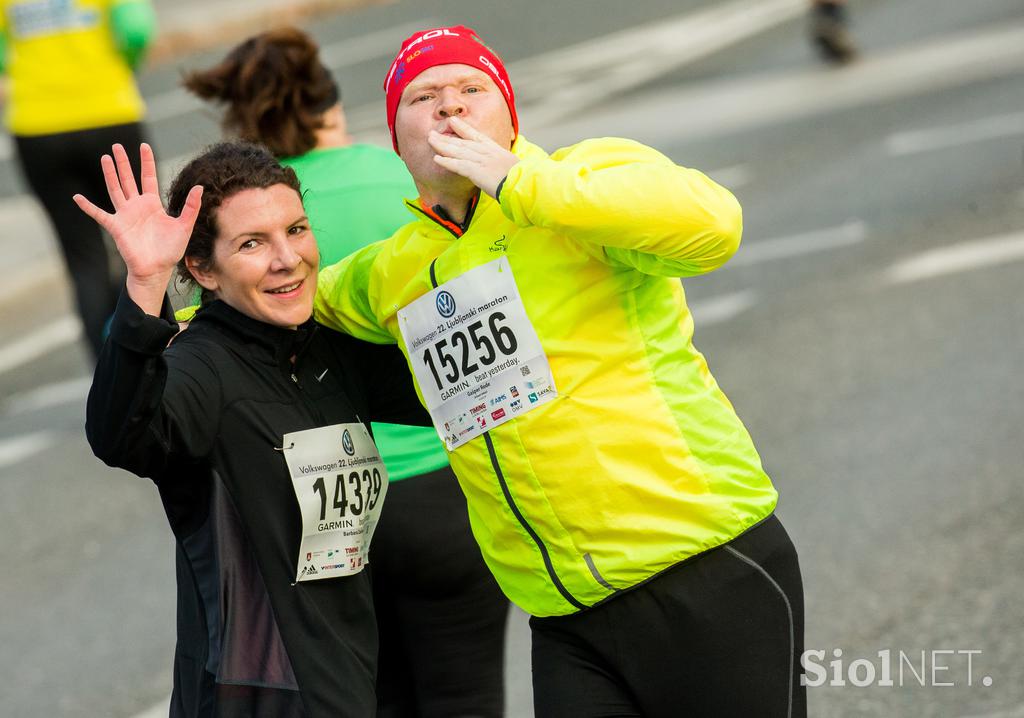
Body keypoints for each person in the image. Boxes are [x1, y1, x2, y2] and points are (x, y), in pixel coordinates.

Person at [314, 25, 806, 717]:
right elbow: (286, 304)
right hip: (565, 613)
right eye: (424, 97)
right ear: (398, 140)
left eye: (471, 90)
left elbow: (714, 225)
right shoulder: (394, 269)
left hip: (704, 566)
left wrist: (522, 183)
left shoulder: (583, 179)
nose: (450, 108)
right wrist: (171, 292)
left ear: (510, 117)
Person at [181, 28, 509, 718]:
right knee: (466, 697)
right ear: (332, 107)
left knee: (366, 696)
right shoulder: (401, 177)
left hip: (326, 504)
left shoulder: (262, 210)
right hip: (442, 484)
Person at [77, 141, 431, 717]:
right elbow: (120, 434)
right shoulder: (201, 368)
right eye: (252, 244)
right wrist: (144, 286)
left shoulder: (325, 350)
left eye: (296, 229)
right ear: (202, 269)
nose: (287, 258)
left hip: (345, 679)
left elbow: (458, 389)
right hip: (254, 695)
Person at [1, 0, 155, 358]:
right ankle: (160, 362)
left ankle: (108, 376)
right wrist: (124, 65)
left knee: (83, 258)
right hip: (108, 110)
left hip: (37, 125)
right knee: (143, 248)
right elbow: (136, 29)